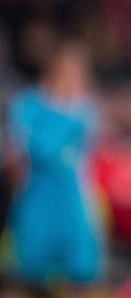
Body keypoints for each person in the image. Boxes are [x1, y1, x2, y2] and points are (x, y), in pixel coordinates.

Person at [4, 40, 107, 297]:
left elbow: (89, 158)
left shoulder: (87, 110)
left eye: (79, 72)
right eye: (67, 70)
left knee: (81, 275)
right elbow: (24, 151)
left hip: (75, 201)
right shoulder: (29, 106)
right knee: (27, 275)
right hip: (36, 199)